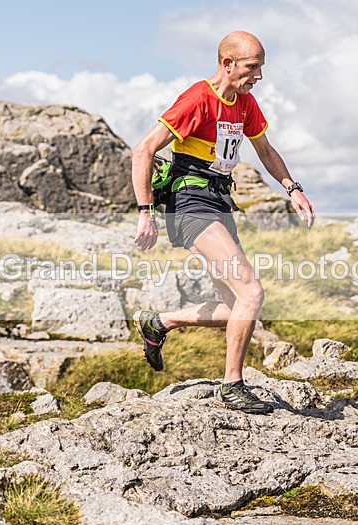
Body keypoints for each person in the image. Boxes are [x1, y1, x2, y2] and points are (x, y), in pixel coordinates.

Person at [131, 30, 315, 414]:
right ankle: (232, 385)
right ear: (228, 63)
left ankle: (159, 323)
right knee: (252, 291)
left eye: (261, 67)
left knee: (237, 307)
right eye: (253, 67)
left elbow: (265, 149)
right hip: (189, 202)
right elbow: (144, 148)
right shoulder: (197, 99)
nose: (259, 76)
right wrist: (145, 212)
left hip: (218, 201)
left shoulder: (245, 103)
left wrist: (292, 188)